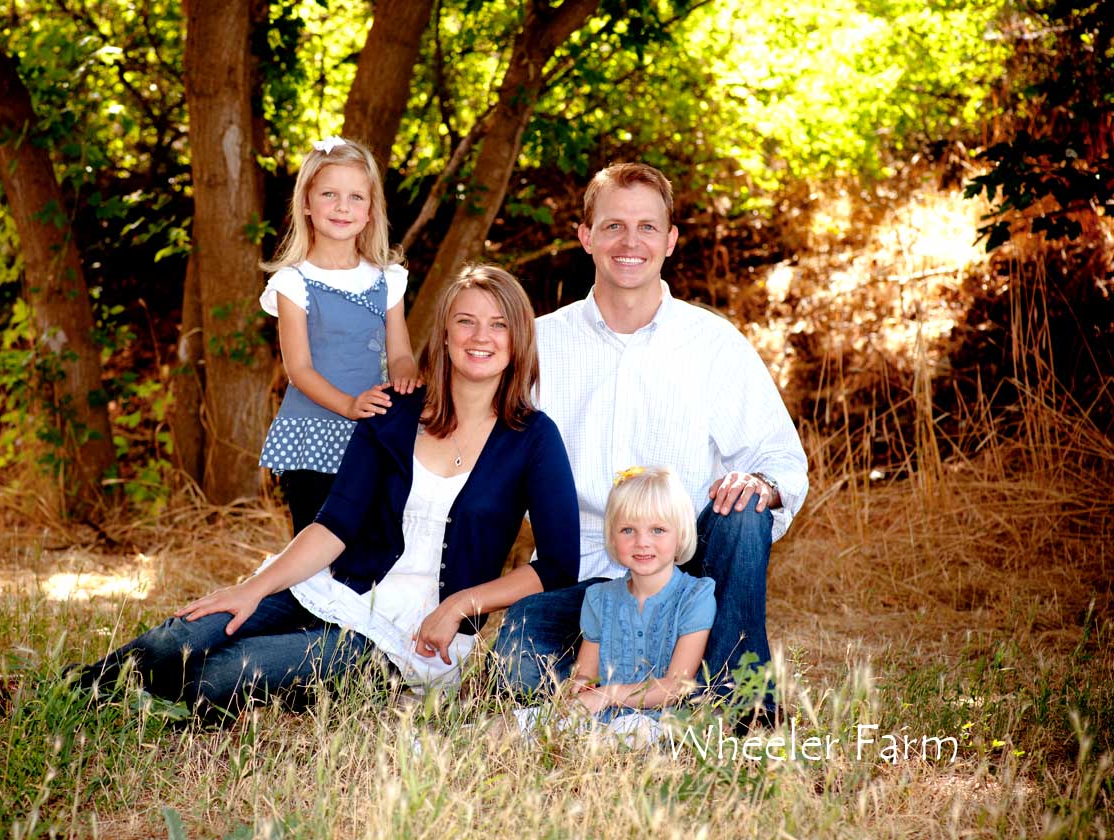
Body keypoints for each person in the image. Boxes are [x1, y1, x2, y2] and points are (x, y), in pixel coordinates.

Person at [75, 266, 579, 725]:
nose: (480, 337)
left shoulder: (532, 438)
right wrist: (253, 588)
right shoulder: (393, 413)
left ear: (519, 339)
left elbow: (557, 564)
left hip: (406, 638)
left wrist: (461, 605)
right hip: (330, 590)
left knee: (223, 677)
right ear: (445, 334)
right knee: (189, 634)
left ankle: (141, 700)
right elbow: (335, 523)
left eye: (498, 325)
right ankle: (67, 695)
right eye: (466, 322)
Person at [495, 163, 808, 719]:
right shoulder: (540, 344)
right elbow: (484, 456)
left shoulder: (713, 343)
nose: (630, 242)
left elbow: (781, 460)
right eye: (613, 226)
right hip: (583, 578)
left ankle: (741, 704)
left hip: (685, 576)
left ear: (670, 240)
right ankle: (648, 688)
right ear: (586, 236)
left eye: (647, 227)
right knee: (518, 667)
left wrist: (760, 482)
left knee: (744, 507)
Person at [258, 136, 419, 535]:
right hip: (315, 434)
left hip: (373, 432)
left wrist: (406, 375)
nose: (343, 207)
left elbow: (400, 352)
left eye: (355, 197)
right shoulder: (293, 283)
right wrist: (348, 405)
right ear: (307, 204)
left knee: (370, 538)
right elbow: (299, 369)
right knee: (314, 542)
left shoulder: (387, 278)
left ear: (371, 211)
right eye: (329, 194)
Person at [504, 466, 715, 746]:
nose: (642, 542)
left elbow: (675, 687)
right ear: (612, 536)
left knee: (626, 734)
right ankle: (431, 750)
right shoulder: (600, 598)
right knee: (514, 725)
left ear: (681, 535)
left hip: (659, 721)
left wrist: (607, 695)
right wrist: (575, 694)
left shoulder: (695, 596)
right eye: (628, 530)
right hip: (602, 715)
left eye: (658, 530)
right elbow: (586, 675)